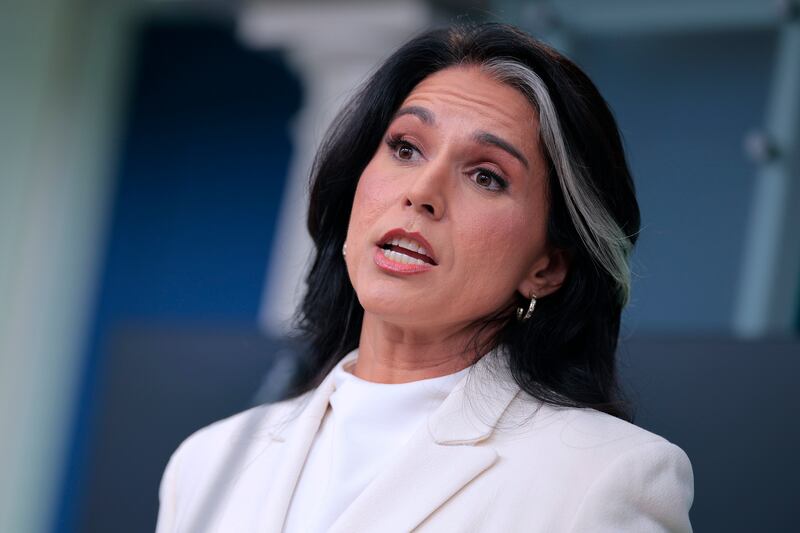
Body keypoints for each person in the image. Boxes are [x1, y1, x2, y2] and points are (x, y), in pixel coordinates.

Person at [155, 22, 693, 532]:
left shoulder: (608, 476)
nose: (422, 192)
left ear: (546, 267)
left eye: (487, 176)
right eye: (406, 148)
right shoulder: (209, 461)